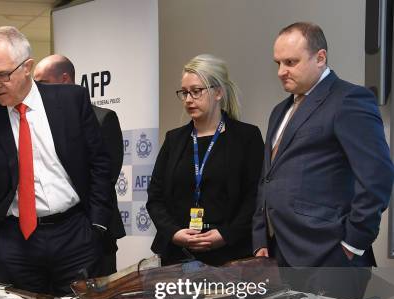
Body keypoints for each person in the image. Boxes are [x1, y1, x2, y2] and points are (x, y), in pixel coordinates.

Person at [0, 26, 111, 295]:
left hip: (75, 234)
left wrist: (96, 225)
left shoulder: (71, 100)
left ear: (27, 66)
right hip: (14, 242)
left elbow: (99, 164)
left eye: (3, 75)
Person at [253, 22, 394, 271]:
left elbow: (377, 178)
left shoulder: (349, 99)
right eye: (278, 63)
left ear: (320, 58)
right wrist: (260, 236)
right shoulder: (279, 111)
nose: (281, 72)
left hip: (330, 254)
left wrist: (353, 243)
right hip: (280, 251)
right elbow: (268, 177)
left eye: (290, 62)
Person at [147, 54, 264, 266]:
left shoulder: (247, 137)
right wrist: (174, 233)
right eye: (184, 93)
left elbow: (255, 197)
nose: (189, 99)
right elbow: (155, 197)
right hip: (178, 256)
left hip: (231, 255)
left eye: (196, 91)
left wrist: (226, 235)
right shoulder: (174, 140)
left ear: (218, 92)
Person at [33, 54, 125, 276]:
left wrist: (94, 228)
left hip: (92, 230)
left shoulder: (103, 118)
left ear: (65, 79)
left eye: (42, 83)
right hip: (55, 236)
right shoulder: (40, 121)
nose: (36, 90)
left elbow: (106, 176)